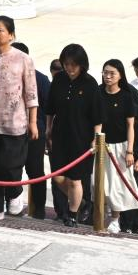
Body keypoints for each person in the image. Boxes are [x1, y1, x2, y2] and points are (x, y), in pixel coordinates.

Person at [0, 16, 37, 220]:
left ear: (11, 35)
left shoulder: (23, 58)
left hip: (15, 122)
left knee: (10, 165)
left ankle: (15, 192)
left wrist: (32, 122)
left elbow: (31, 93)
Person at [46, 43, 103, 227]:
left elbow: (97, 115)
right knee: (58, 177)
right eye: (66, 64)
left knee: (75, 179)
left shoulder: (90, 83)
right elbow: (50, 108)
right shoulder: (59, 79)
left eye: (74, 64)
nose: (70, 68)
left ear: (81, 64)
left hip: (81, 138)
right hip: (60, 134)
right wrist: (48, 129)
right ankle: (83, 202)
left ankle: (72, 214)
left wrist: (96, 138)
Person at [99, 59, 138, 234]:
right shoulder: (98, 93)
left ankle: (115, 219)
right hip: (101, 144)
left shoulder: (126, 96)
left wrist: (130, 150)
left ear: (120, 75)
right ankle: (101, 215)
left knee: (116, 185)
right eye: (105, 72)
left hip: (120, 146)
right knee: (99, 183)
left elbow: (131, 125)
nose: (108, 76)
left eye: (112, 73)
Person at [19, 44, 55, 220]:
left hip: (35, 129)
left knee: (35, 169)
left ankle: (38, 208)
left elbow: (49, 107)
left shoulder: (40, 78)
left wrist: (47, 131)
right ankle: (12, 202)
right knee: (10, 166)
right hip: (10, 127)